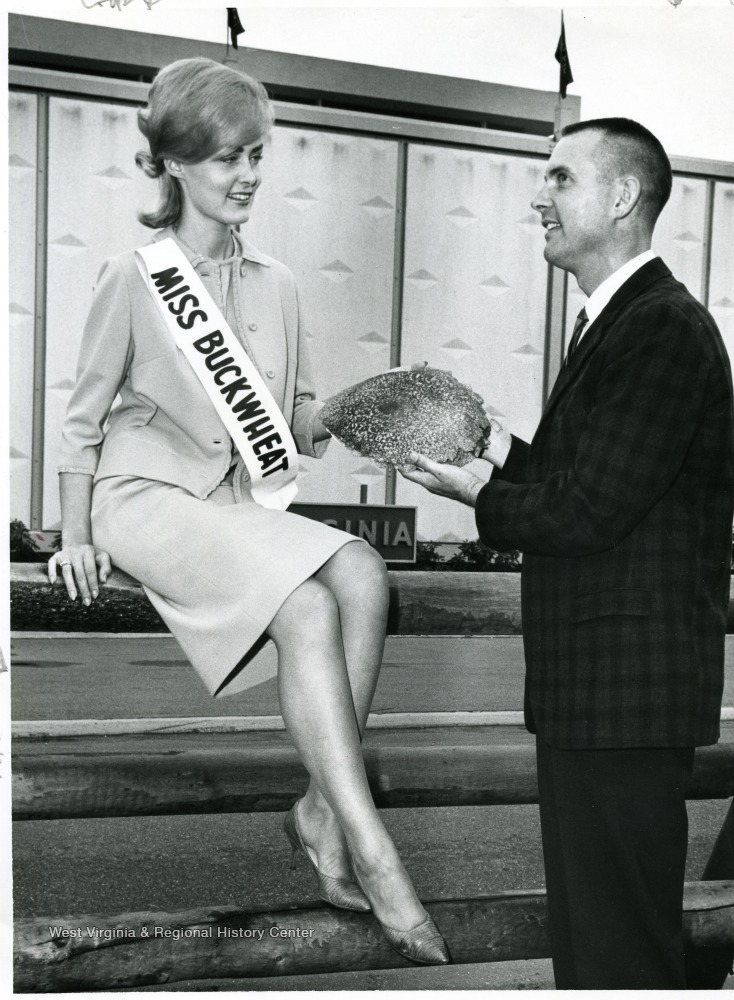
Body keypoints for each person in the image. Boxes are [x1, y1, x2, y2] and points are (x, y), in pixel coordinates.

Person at [49, 56, 449, 966]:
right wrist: (73, 533)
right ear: (176, 165)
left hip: (235, 504)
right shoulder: (135, 276)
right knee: (306, 602)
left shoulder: (280, 283)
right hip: (143, 496)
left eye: (257, 155)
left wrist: (359, 409)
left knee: (361, 568)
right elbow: (81, 420)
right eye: (228, 157)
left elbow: (295, 422)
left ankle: (317, 809)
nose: (247, 176)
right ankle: (372, 849)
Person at [400, 117, 734, 988]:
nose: (539, 198)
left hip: (626, 700)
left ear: (622, 198)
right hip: (596, 695)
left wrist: (478, 495)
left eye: (560, 179)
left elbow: (587, 510)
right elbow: (579, 473)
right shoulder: (616, 321)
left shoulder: (661, 328)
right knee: (591, 947)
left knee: (620, 953)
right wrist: (492, 447)